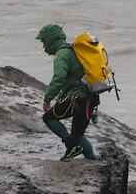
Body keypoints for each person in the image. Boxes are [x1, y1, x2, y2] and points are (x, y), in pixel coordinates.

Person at [36, 24, 97, 161]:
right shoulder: (73, 49)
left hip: (77, 98)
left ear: (51, 40)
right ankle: (92, 160)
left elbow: (59, 78)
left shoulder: (61, 54)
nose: (44, 46)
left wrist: (47, 99)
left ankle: (71, 147)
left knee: (48, 117)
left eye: (44, 42)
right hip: (90, 98)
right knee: (78, 134)